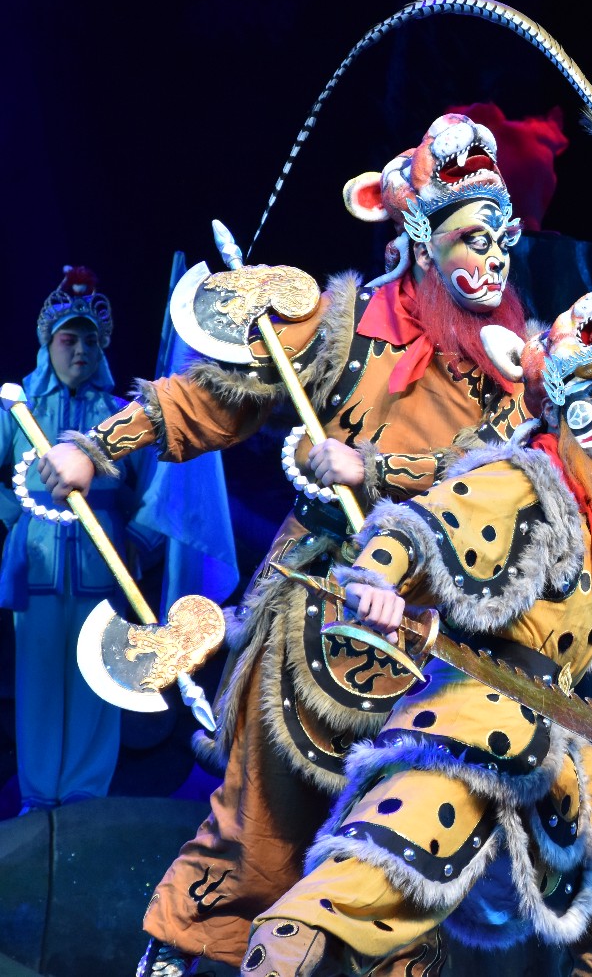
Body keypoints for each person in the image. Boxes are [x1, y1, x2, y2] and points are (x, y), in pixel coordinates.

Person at [39, 113, 535, 976]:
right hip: (314, 610)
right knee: (257, 839)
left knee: (404, 872)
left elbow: (508, 481)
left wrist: (374, 468)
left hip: (432, 635)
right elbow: (213, 394)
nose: (493, 261)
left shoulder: (515, 366)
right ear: (422, 243)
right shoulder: (344, 326)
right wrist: (98, 447)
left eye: (503, 240)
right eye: (472, 238)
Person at [243, 289, 592, 976]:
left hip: (552, 737)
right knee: (378, 868)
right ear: (557, 404)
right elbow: (423, 524)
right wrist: (376, 579)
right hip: (466, 725)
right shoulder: (519, 482)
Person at [0, 267, 159, 814]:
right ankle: (39, 796)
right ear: (49, 345)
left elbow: (160, 491)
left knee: (98, 673)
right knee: (40, 679)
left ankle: (87, 797)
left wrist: (138, 537)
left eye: (91, 341)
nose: (81, 350)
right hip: (38, 564)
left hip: (104, 563)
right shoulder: (20, 410)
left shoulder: (120, 415)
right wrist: (16, 516)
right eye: (70, 339)